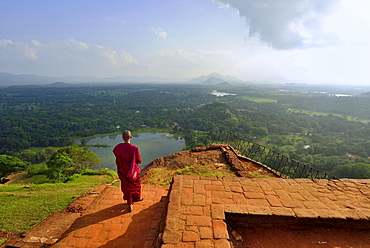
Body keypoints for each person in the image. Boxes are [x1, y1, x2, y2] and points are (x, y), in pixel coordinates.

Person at [113, 130, 143, 212]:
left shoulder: (119, 147)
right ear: (131, 137)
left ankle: (130, 203)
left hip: (123, 170)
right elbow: (139, 160)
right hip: (133, 172)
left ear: (122, 138)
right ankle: (137, 198)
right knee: (136, 184)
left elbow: (115, 152)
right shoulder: (134, 148)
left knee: (126, 187)